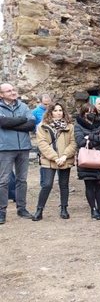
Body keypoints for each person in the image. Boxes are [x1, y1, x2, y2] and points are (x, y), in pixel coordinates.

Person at [32, 103, 76, 221]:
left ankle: (64, 208)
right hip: (49, 159)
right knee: (46, 184)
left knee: (64, 185)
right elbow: (42, 144)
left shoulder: (69, 126)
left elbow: (73, 143)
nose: (58, 112)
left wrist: (65, 156)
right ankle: (39, 209)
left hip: (64, 159)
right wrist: (55, 157)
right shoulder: (42, 126)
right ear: (50, 112)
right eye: (55, 110)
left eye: (60, 110)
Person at [0, 82, 35, 224]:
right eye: (8, 91)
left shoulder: (23, 106)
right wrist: (21, 120)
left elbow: (31, 124)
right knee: (3, 181)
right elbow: (2, 123)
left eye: (13, 89)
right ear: (1, 95)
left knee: (22, 180)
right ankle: (1, 211)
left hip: (24, 147)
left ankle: (22, 208)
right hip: (5, 148)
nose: (13, 92)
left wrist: (11, 124)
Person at [74, 104, 100, 220]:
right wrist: (96, 138)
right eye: (88, 111)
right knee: (90, 184)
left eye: (92, 111)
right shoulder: (78, 125)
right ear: (83, 112)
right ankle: (93, 209)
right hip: (87, 159)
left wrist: (89, 137)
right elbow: (80, 141)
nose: (91, 113)